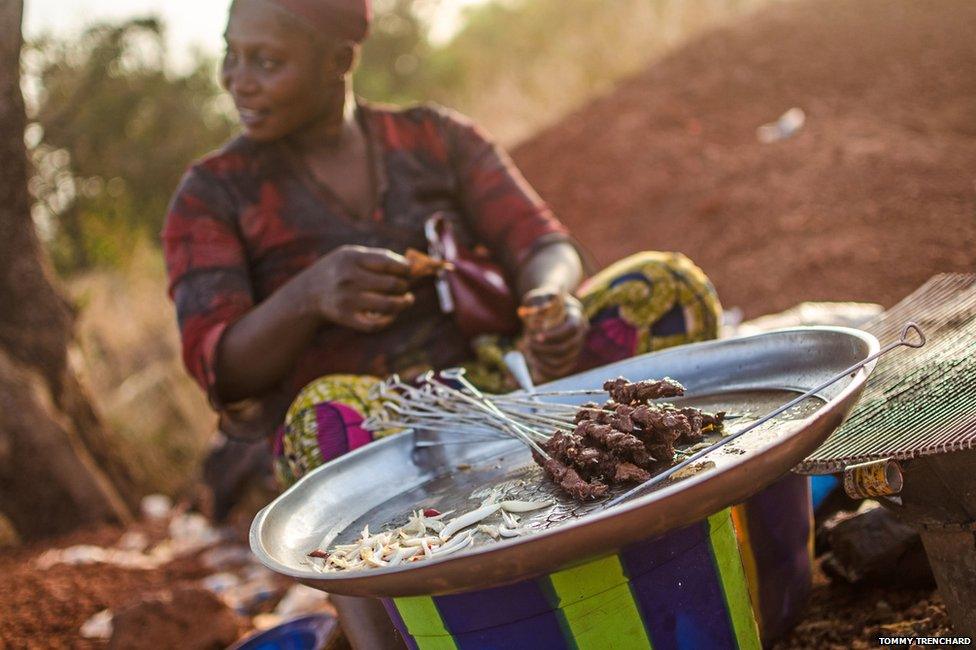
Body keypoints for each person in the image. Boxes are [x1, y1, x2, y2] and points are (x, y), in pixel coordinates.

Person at [163, 0, 722, 503]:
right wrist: (306, 297)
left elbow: (541, 241)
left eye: (266, 62)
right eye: (231, 56)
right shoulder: (214, 193)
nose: (237, 81)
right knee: (320, 422)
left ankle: (657, 495)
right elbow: (222, 371)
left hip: (512, 384)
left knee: (668, 290)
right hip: (388, 434)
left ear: (337, 61)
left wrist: (550, 303)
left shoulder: (436, 139)